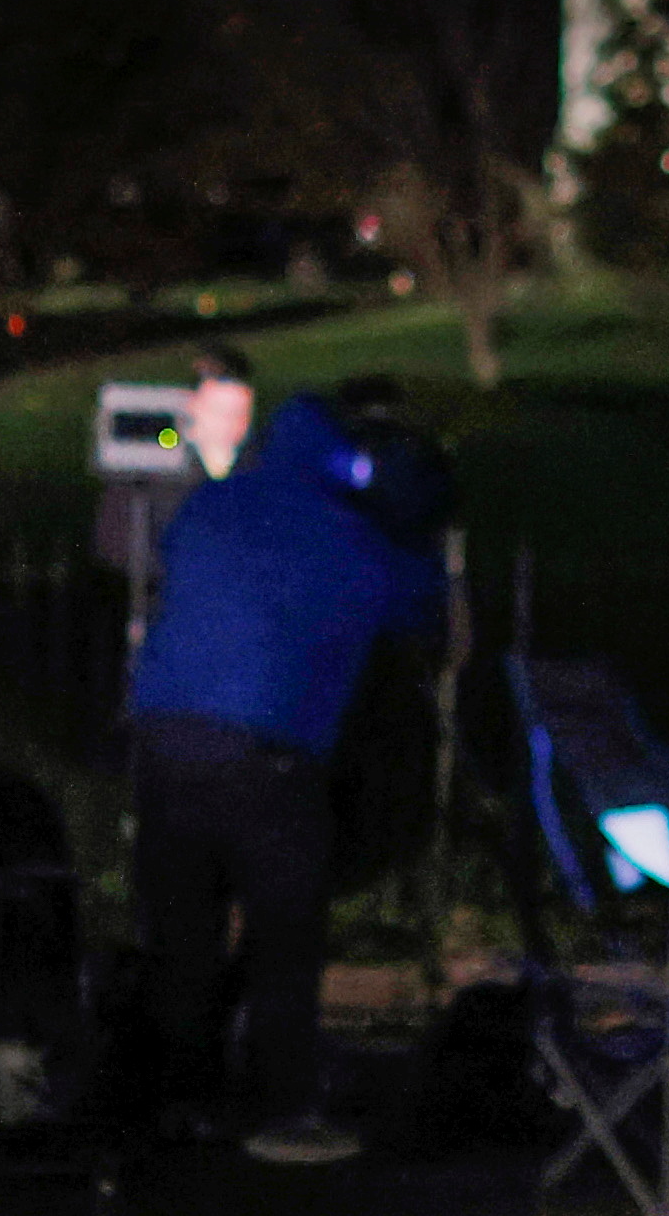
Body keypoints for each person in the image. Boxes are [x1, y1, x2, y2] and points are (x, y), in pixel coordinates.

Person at [121, 374, 435, 1163]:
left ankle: (173, 1102)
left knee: (180, 937)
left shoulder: (211, 506)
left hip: (161, 740)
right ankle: (281, 1110)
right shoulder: (353, 540)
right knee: (284, 935)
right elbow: (423, 618)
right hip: (268, 755)